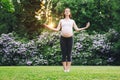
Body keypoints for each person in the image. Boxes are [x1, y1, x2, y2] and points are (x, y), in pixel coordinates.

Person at [44, 8, 90, 72]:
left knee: (69, 54)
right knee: (63, 54)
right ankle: (65, 69)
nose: (67, 12)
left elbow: (77, 29)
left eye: (68, 11)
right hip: (63, 38)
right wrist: (48, 27)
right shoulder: (61, 21)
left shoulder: (72, 21)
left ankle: (68, 69)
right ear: (64, 13)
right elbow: (57, 29)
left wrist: (85, 27)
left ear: (70, 13)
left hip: (70, 38)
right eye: (66, 11)